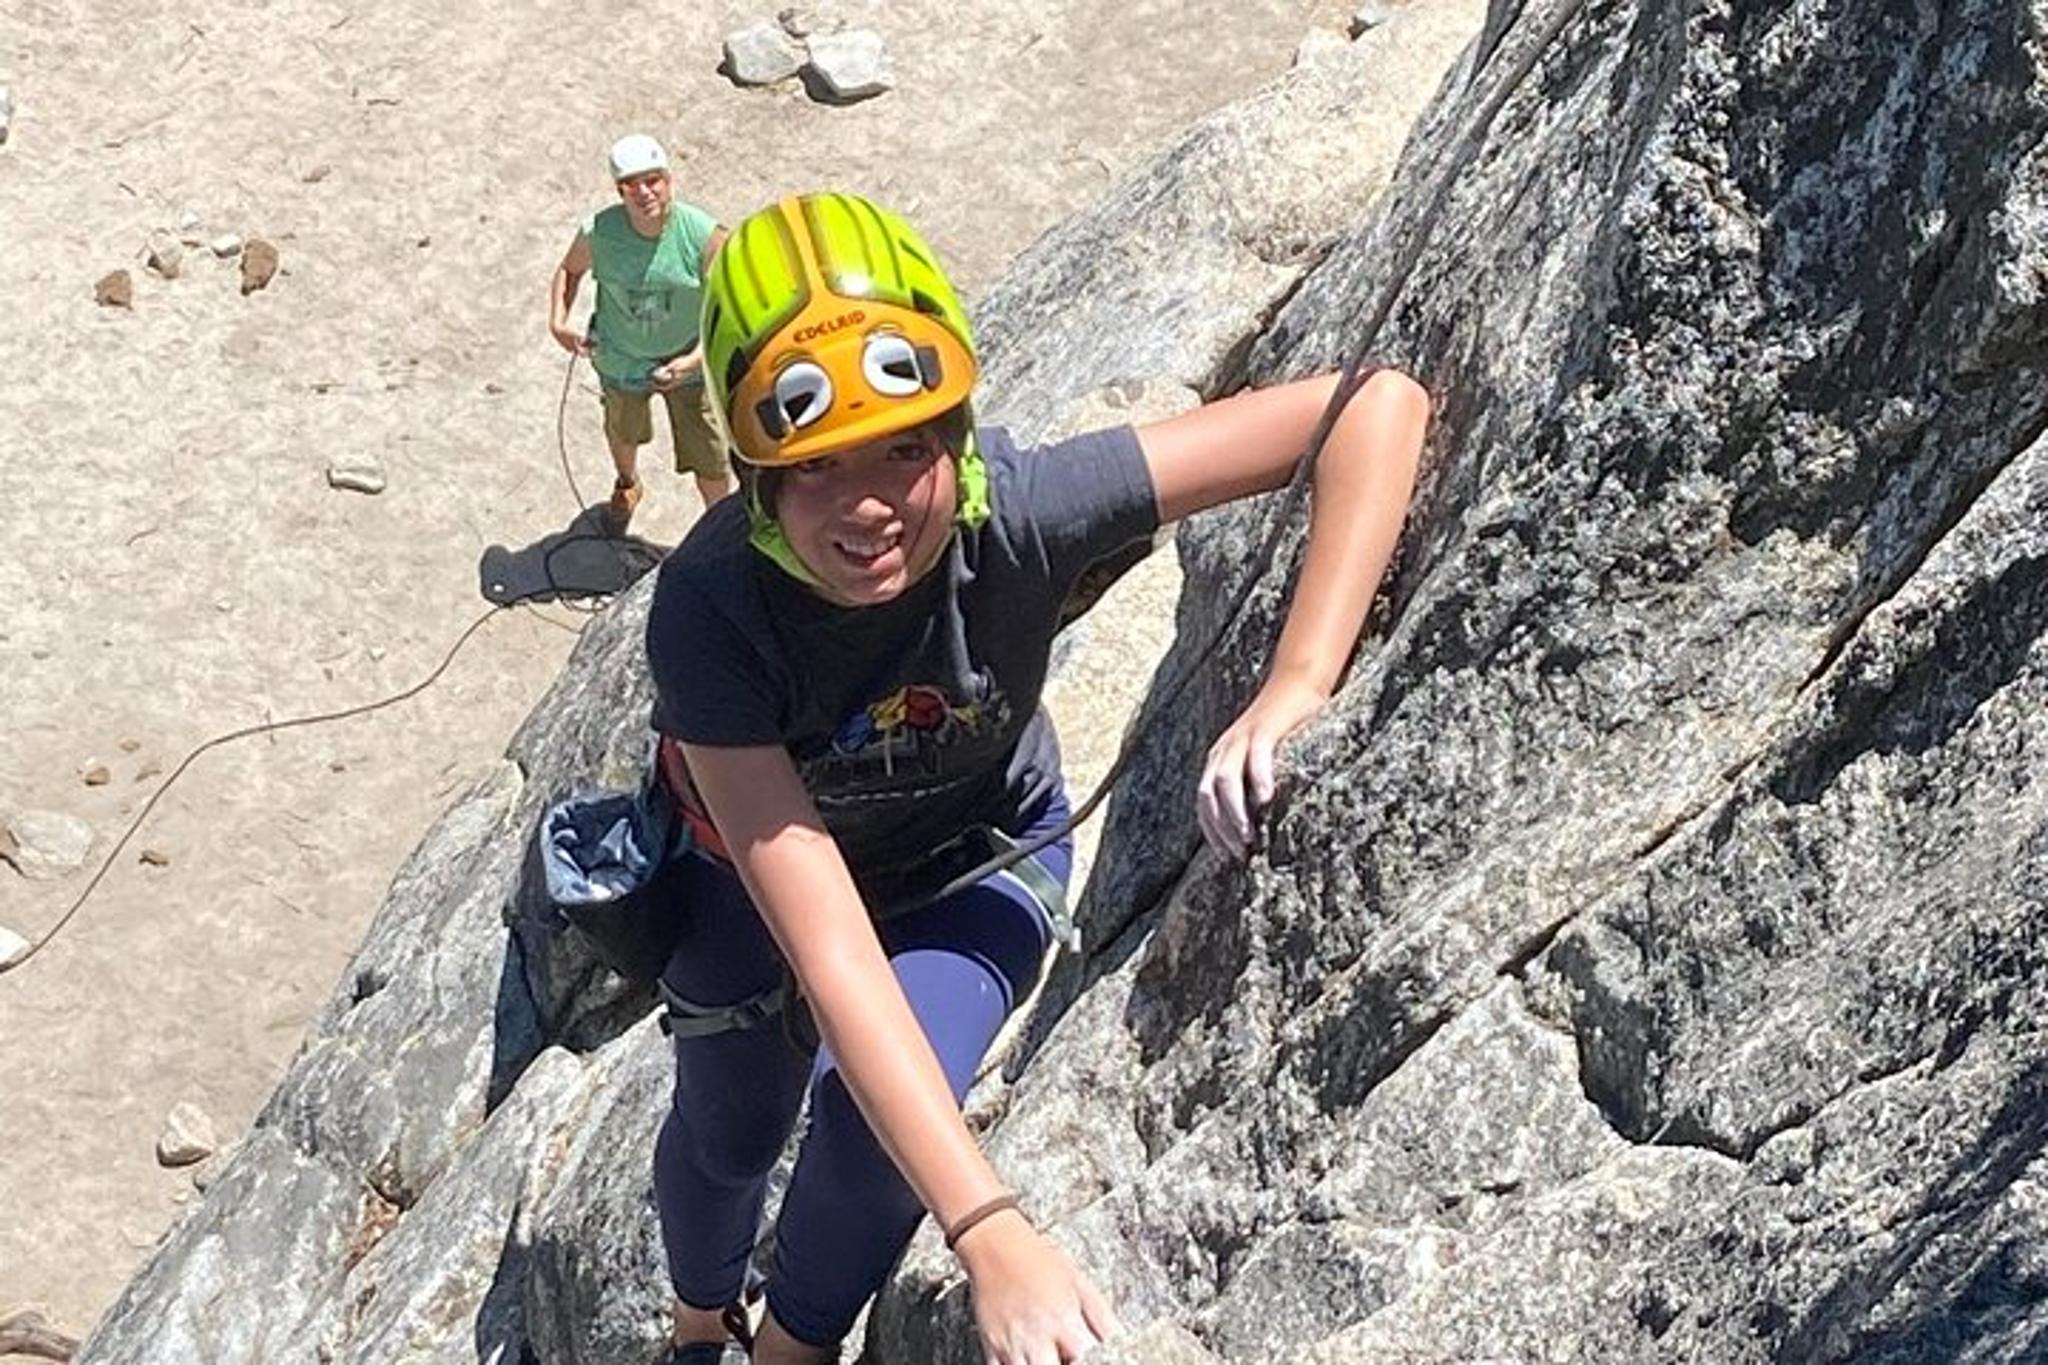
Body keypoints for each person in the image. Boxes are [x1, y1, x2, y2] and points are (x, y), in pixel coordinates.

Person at [642, 192, 1428, 1364]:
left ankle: (784, 1353)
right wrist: (991, 1226)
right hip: (745, 887)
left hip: (978, 856)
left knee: (872, 1133)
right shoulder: (712, 611)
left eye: (906, 449)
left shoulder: (1010, 516)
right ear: (756, 478)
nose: (868, 506)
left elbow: (1372, 407)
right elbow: (826, 944)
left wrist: (1297, 680)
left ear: (954, 438)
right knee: (727, 1132)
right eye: (816, 466)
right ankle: (699, 1318)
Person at [547, 133, 733, 531]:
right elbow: (570, 270)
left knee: (709, 453)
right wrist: (558, 322)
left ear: (668, 180)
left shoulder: (702, 236)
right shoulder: (599, 232)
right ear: (620, 191)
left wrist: (695, 359)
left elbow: (731, 304)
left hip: (687, 359)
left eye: (653, 180)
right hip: (621, 358)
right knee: (622, 429)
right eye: (631, 185)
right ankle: (628, 483)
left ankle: (722, 529)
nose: (644, 192)